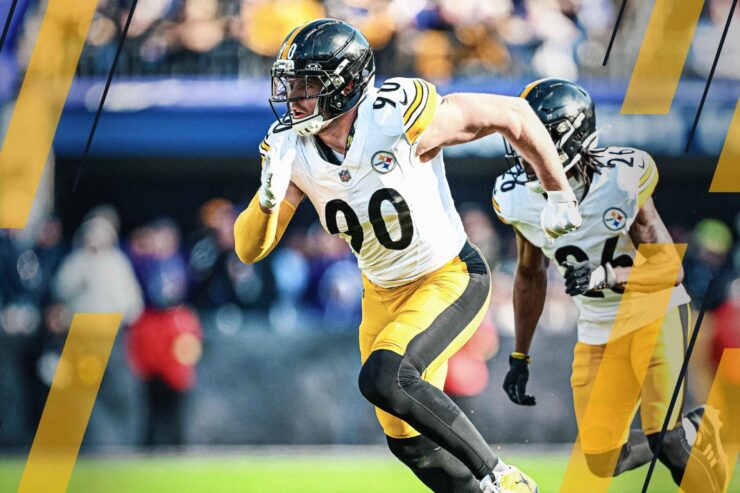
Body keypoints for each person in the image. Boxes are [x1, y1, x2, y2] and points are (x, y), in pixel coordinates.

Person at [234, 19, 582, 493]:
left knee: (386, 377)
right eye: (291, 84)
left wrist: (559, 191)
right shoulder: (290, 150)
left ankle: (503, 477)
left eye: (308, 85)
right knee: (407, 440)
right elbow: (248, 249)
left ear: (346, 85)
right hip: (381, 292)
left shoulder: (396, 115)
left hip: (448, 275)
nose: (293, 97)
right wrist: (268, 199)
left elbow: (515, 114)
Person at [492, 78, 727, 492]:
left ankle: (684, 435)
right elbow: (530, 275)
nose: (527, 151)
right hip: (597, 326)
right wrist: (520, 354)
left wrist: (606, 275)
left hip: (653, 312)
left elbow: (670, 268)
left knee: (666, 438)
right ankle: (698, 426)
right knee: (603, 459)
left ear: (572, 137)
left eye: (537, 139)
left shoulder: (619, 178)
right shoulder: (516, 197)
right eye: (523, 139)